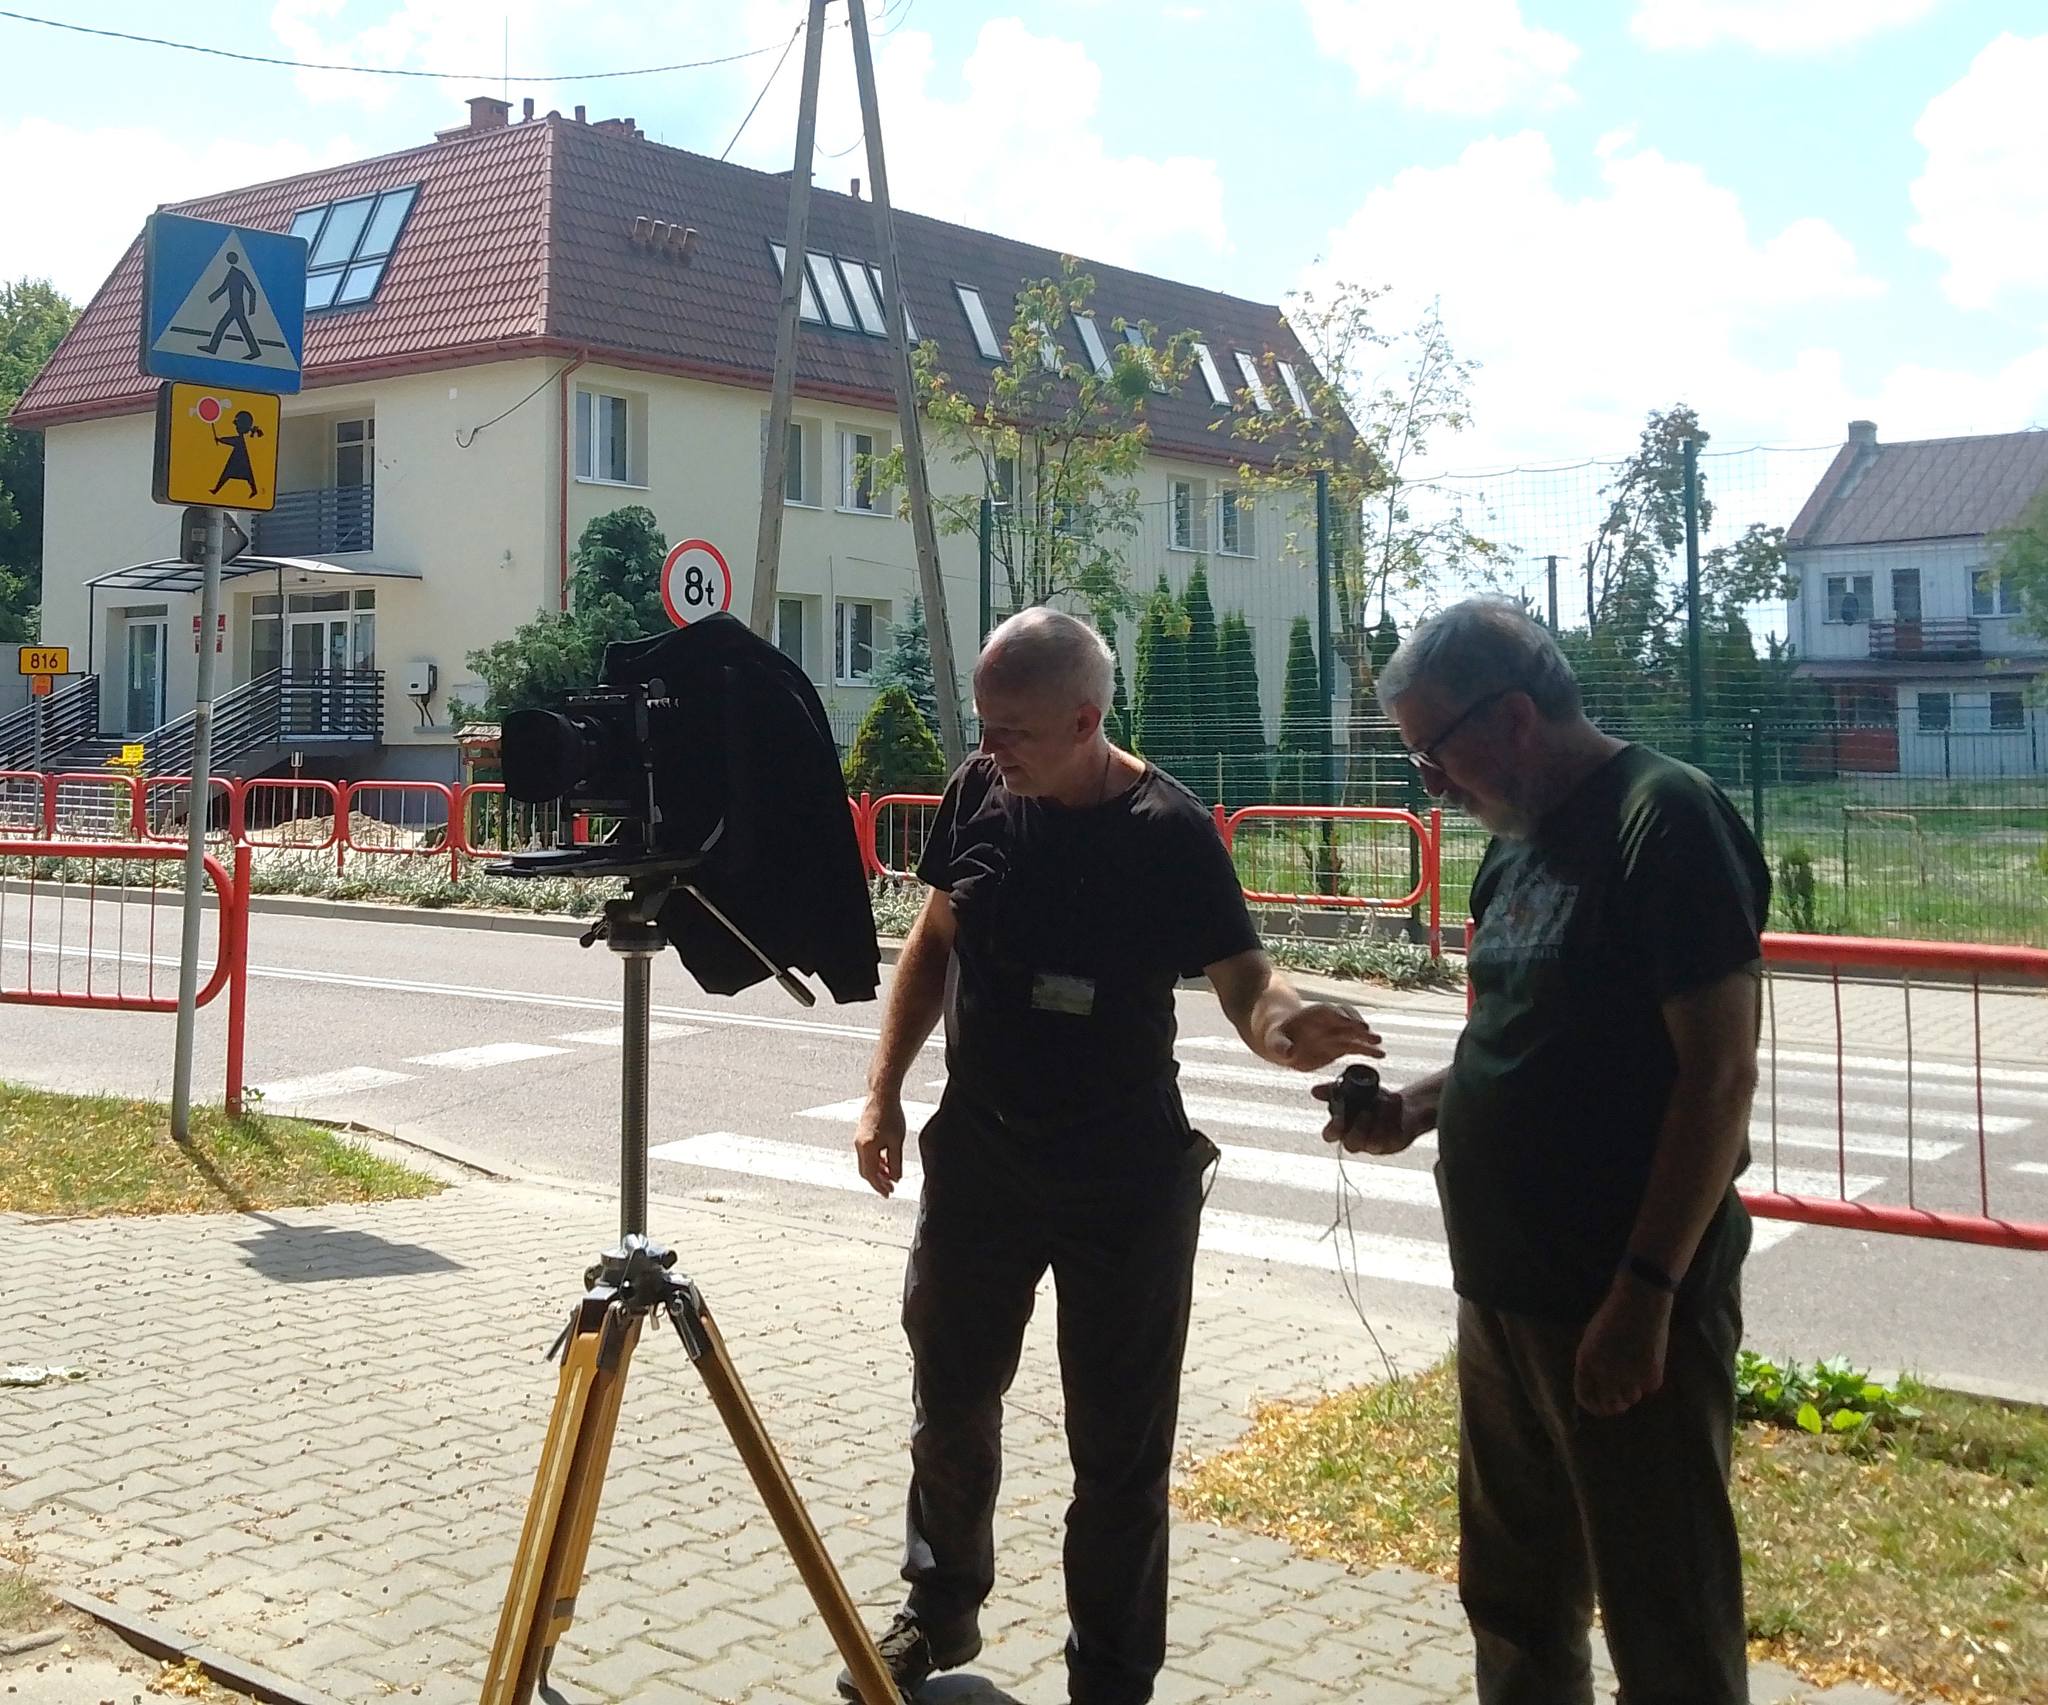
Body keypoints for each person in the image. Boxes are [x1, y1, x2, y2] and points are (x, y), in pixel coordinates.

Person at [848, 608, 1383, 1705]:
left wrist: (1287, 1029)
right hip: (981, 1159)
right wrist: (882, 1092)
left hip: (1124, 1176)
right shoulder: (978, 792)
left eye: (1014, 730)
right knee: (949, 1408)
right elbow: (934, 940)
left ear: (1087, 720)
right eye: (984, 724)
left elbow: (1246, 979)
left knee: (1119, 1455)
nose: (990, 747)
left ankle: (1110, 1677)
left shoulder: (1168, 831)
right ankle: (939, 1610)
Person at [1320, 598, 1767, 1704]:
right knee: (1514, 1602)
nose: (1430, 784)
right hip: (1504, 1296)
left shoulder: (1663, 819)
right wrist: (1412, 1110)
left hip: (1619, 1301)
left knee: (1665, 1617)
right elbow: (1515, 1038)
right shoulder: (1513, 846)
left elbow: (1716, 1077)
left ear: (1514, 716)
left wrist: (1646, 1291)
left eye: (1434, 752)